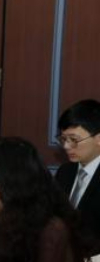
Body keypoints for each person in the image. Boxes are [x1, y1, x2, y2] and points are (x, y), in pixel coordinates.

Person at [54, 99, 100, 253]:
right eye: (63, 139)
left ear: (98, 138)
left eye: (74, 140)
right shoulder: (65, 172)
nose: (66, 146)